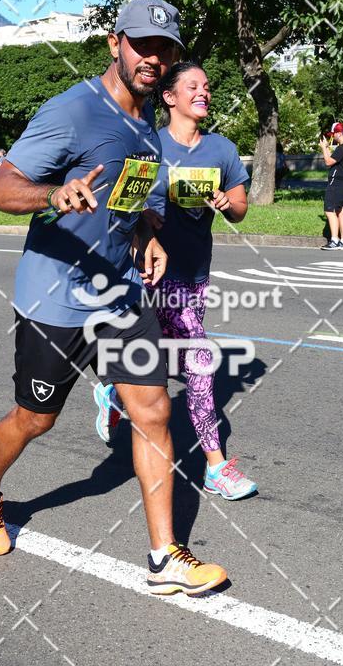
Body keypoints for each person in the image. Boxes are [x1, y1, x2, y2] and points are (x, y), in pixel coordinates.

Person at [0, 0, 228, 597]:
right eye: (142, 45)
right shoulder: (74, 111)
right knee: (36, 419)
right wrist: (53, 195)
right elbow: (0, 189)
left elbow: (130, 203)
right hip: (56, 298)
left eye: (165, 50)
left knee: (153, 412)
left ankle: (165, 559)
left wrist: (147, 236)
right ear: (115, 44)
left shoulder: (148, 133)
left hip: (120, 296)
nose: (153, 58)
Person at [94, 62, 258, 500]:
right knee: (200, 362)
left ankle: (115, 389)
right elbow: (121, 206)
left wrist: (227, 202)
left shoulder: (220, 149)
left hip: (195, 273)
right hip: (148, 273)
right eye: (193, 86)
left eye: (206, 86)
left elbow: (241, 207)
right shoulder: (149, 146)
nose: (203, 92)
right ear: (169, 97)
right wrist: (145, 220)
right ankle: (216, 466)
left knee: (161, 358)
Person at [319, 122, 343, 250]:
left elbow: (328, 162)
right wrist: (328, 148)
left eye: (333, 134)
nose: (332, 137)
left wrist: (323, 148)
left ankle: (334, 240)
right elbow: (334, 159)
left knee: (329, 210)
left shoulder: (342, 148)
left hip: (337, 182)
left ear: (339, 133)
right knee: (341, 211)